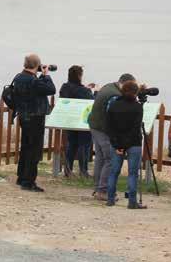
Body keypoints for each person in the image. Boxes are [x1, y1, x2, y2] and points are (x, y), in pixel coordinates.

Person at [88, 73, 136, 201]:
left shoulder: (108, 86)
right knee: (110, 158)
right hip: (103, 129)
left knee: (100, 158)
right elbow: (114, 116)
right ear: (126, 84)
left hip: (94, 125)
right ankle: (102, 190)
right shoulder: (115, 95)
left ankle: (97, 187)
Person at [12, 53, 56, 192]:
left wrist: (41, 76)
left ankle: (21, 176)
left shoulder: (19, 77)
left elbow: (37, 89)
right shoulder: (33, 80)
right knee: (34, 150)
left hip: (23, 116)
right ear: (37, 65)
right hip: (35, 117)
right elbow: (51, 89)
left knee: (26, 147)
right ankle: (28, 181)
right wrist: (46, 75)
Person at [105, 80, 146, 209]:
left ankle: (110, 199)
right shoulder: (137, 107)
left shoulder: (113, 105)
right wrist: (125, 144)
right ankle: (132, 201)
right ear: (135, 93)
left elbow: (109, 127)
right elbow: (135, 128)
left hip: (116, 143)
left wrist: (118, 145)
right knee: (133, 173)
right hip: (134, 143)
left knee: (114, 172)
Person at [59, 65, 95, 177]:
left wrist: (86, 88)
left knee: (72, 144)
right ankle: (83, 170)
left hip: (70, 120)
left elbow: (73, 92)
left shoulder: (64, 88)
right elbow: (91, 101)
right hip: (82, 121)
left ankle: (68, 169)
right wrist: (94, 91)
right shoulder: (84, 91)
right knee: (84, 145)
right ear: (80, 75)